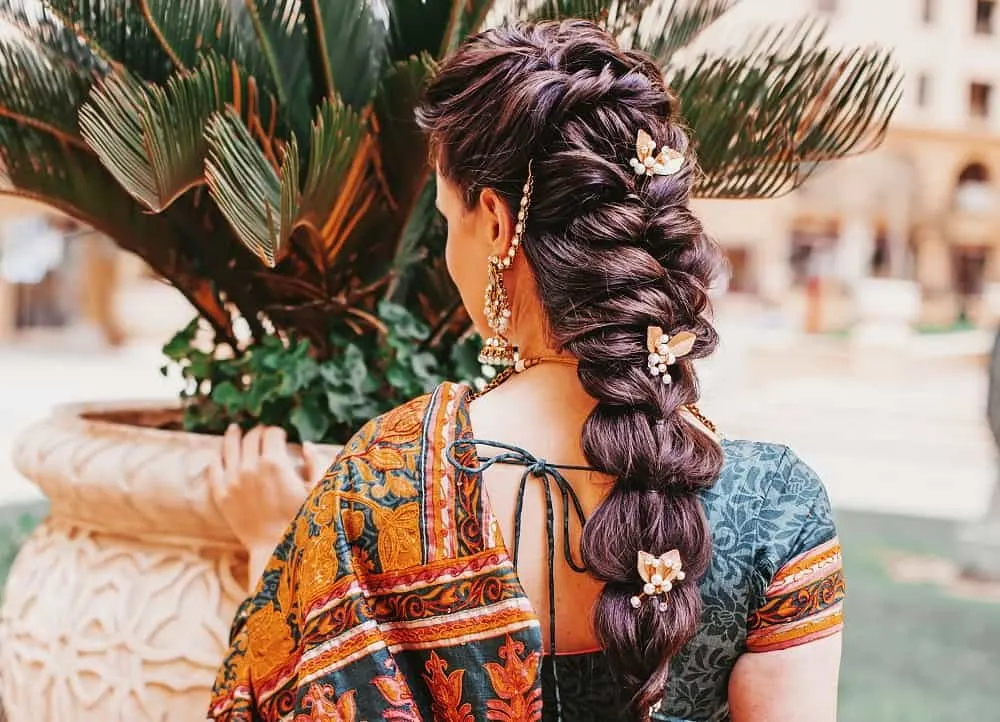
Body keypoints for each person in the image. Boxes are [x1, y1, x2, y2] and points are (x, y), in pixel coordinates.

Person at [207, 20, 844, 722]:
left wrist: (277, 549)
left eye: (447, 217)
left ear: (495, 222)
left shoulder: (383, 487)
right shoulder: (776, 506)